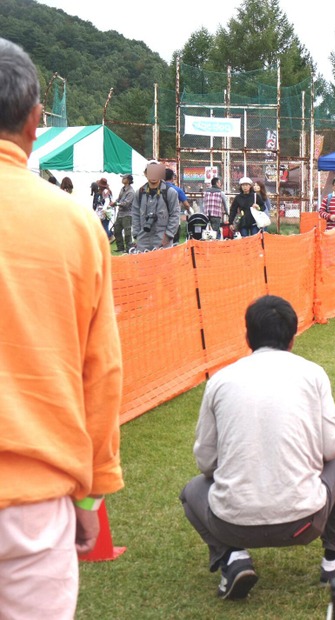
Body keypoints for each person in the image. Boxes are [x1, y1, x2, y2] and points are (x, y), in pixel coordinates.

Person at [0, 37, 124, 619]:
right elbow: (102, 373)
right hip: (33, 500)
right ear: (34, 120)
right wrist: (91, 493)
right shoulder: (76, 226)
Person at [180, 295, 335, 600]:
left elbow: (206, 463)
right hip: (305, 523)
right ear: (292, 339)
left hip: (231, 525)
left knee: (192, 490)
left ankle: (232, 558)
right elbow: (333, 449)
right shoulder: (313, 374)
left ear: (248, 336)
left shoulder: (220, 381)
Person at [131, 160, 181, 252]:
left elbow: (175, 215)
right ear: (145, 174)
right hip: (143, 239)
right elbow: (135, 214)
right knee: (143, 265)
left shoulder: (170, 192)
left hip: (163, 239)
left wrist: (168, 235)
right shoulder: (140, 193)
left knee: (163, 266)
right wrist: (137, 234)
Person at [165, 169, 191, 245]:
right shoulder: (177, 189)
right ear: (172, 177)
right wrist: (189, 211)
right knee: (174, 243)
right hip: (173, 220)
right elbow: (186, 204)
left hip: (159, 221)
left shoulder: (158, 189)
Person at [112, 174, 135, 253]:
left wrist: (116, 204)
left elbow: (126, 204)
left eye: (124, 178)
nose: (122, 179)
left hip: (127, 214)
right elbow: (119, 199)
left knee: (127, 233)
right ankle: (120, 247)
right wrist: (115, 202)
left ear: (128, 180)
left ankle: (129, 249)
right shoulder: (122, 189)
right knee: (116, 230)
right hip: (120, 213)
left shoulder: (131, 192)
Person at [94, 178, 115, 243]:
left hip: (106, 212)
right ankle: (108, 237)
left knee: (104, 226)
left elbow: (107, 201)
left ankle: (110, 236)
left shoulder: (105, 191)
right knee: (103, 226)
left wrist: (103, 210)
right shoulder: (107, 191)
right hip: (105, 211)